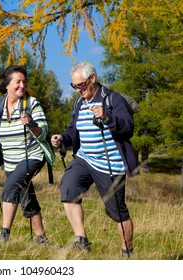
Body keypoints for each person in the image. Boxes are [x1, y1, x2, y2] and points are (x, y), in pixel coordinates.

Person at [51, 61, 138, 256]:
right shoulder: (79, 103)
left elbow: (128, 128)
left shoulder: (112, 99)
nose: (77, 90)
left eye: (81, 85)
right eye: (74, 86)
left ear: (92, 79)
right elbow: (74, 131)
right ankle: (81, 240)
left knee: (117, 210)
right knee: (69, 188)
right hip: (84, 159)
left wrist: (108, 118)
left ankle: (127, 251)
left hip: (110, 163)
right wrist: (62, 138)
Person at [0, 65, 49, 244]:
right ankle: (41, 238)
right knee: (26, 196)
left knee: (10, 187)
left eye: (24, 82)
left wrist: (31, 124)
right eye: (18, 82)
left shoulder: (32, 104)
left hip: (32, 156)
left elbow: (44, 131)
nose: (22, 85)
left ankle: (4, 234)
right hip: (9, 161)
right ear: (7, 84)